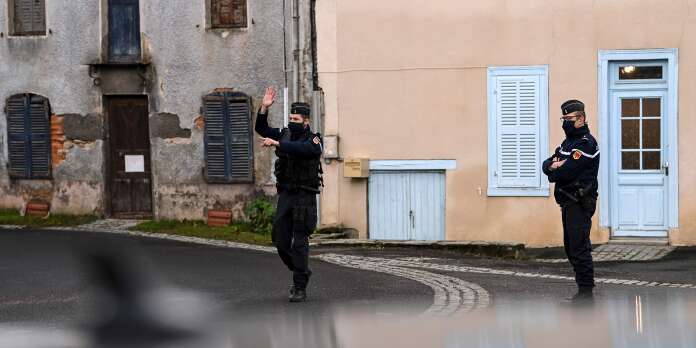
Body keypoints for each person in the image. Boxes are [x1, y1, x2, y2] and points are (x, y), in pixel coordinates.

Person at [255, 86, 323, 302]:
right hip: (286, 195)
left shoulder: (313, 139)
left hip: (305, 196)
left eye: (296, 118)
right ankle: (301, 271)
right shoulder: (284, 133)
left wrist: (278, 144)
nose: (292, 120)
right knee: (280, 240)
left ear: (306, 121)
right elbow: (261, 128)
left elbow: (303, 150)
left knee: (299, 242)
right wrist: (264, 108)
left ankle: (299, 286)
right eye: (291, 117)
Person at [542, 99, 600, 304]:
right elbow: (546, 165)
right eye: (563, 118)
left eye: (569, 118)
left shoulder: (586, 143)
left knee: (579, 247)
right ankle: (582, 292)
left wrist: (557, 168)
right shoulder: (567, 144)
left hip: (580, 201)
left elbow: (568, 171)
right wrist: (554, 166)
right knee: (570, 247)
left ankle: (586, 295)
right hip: (567, 201)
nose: (565, 122)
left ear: (581, 118)